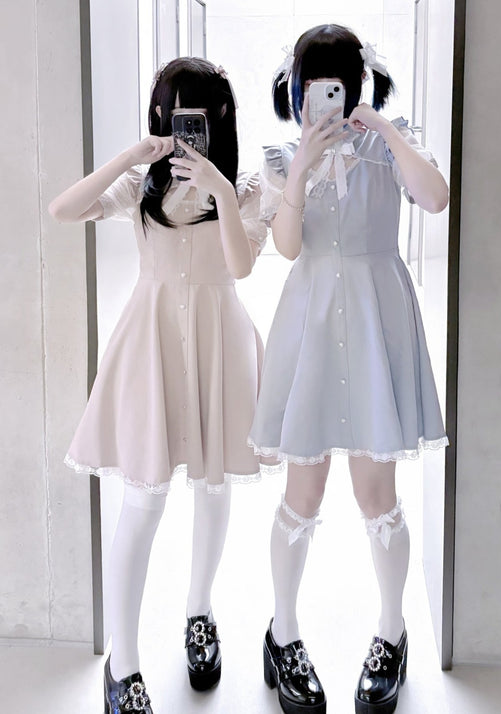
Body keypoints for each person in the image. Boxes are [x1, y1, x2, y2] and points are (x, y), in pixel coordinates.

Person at [49, 57, 268, 713]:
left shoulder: (245, 189)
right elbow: (63, 209)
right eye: (171, 115)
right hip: (152, 350)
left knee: (212, 486)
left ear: (219, 118)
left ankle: (199, 611)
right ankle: (124, 666)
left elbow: (241, 267)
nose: (182, 128)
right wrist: (131, 156)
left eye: (193, 116)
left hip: (218, 347)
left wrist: (220, 190)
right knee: (143, 502)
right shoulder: (143, 188)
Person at [248, 24, 449, 714]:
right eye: (313, 85)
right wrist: (304, 164)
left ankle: (391, 635)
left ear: (357, 86)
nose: (323, 98)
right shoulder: (283, 158)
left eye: (336, 85)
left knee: (376, 496)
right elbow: (285, 245)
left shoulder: (390, 146)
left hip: (374, 322)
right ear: (296, 90)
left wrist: (384, 129)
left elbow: (435, 197)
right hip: (311, 322)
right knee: (301, 495)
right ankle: (282, 633)